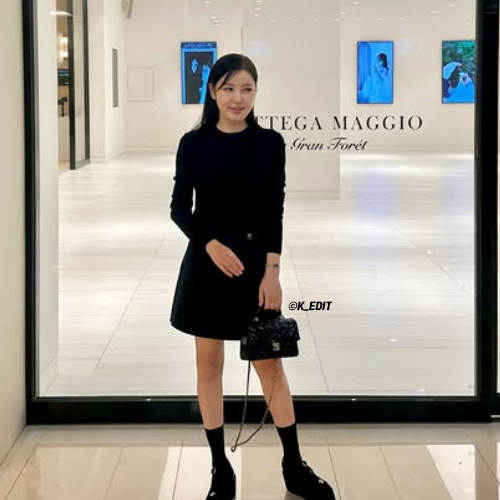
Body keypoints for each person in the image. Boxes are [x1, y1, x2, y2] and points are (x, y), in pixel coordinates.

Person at [170, 53, 336, 500]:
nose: (237, 98)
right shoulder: (194, 143)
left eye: (246, 89)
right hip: (207, 268)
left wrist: (272, 273)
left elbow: (273, 212)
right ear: (212, 92)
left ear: (256, 92)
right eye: (228, 88)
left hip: (254, 273)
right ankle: (220, 470)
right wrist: (209, 244)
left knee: (270, 367)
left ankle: (293, 465)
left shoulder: (269, 143)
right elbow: (179, 208)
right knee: (209, 369)